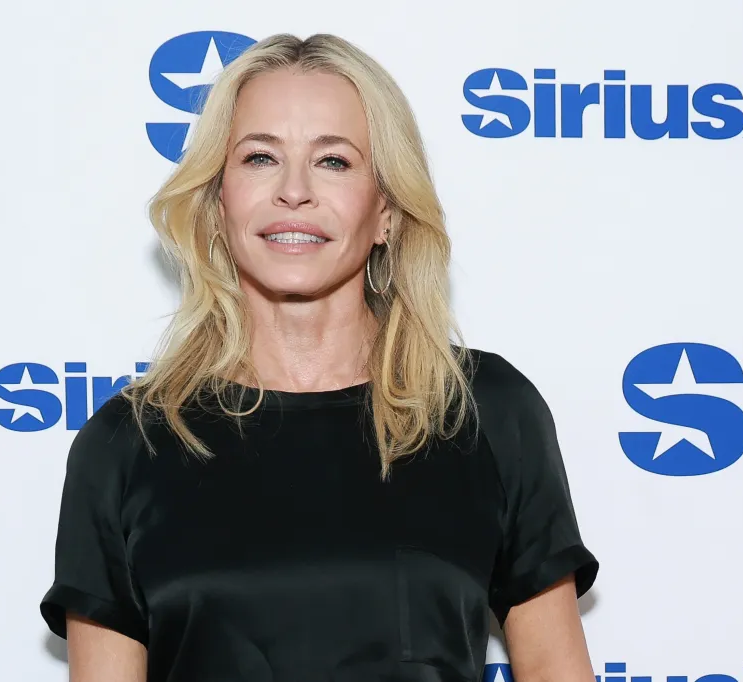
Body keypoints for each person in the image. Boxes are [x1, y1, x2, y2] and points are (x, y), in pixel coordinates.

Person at [39, 32, 599, 682]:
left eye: (333, 161)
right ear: (217, 204)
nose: (294, 191)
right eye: (260, 158)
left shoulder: (484, 409)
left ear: (386, 210)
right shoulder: (125, 444)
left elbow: (555, 669)